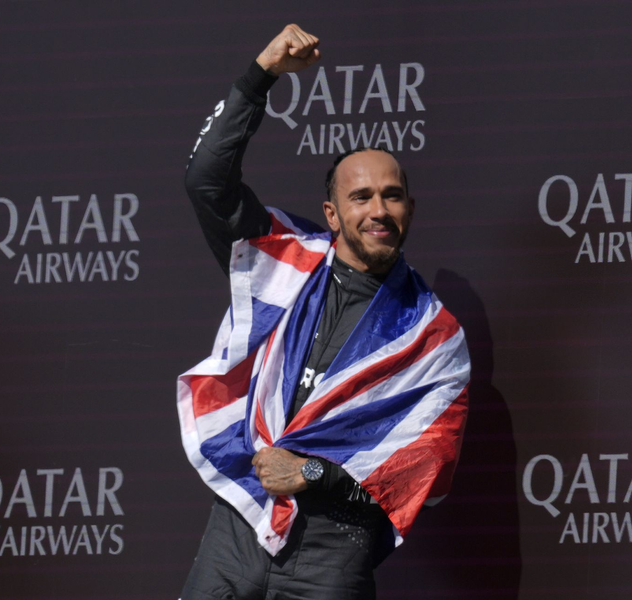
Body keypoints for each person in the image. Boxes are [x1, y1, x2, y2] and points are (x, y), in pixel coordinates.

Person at [177, 24, 470, 600]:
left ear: (410, 209)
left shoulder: (435, 336)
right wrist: (261, 75)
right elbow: (206, 181)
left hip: (333, 551)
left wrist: (310, 473)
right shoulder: (282, 259)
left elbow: (424, 472)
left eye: (391, 196)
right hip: (238, 526)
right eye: (360, 197)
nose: (378, 210)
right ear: (332, 214)